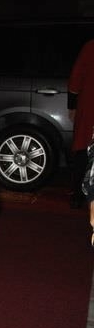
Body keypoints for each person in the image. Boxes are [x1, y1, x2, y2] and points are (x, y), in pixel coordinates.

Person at [68, 39, 94, 208]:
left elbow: (75, 79)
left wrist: (72, 106)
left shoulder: (90, 47)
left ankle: (78, 194)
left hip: (89, 108)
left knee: (83, 151)